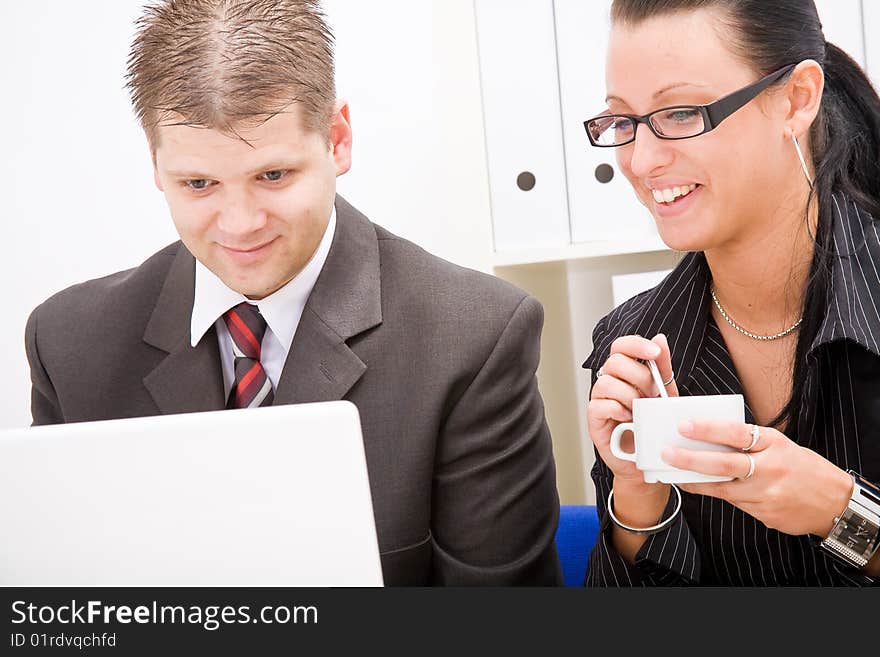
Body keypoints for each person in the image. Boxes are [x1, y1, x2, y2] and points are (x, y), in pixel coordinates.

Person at [24, 0, 561, 586]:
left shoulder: (474, 337)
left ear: (338, 139)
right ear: (156, 165)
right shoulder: (68, 345)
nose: (239, 224)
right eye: (198, 184)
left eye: (272, 176)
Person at [582, 0, 880, 585]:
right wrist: (638, 500)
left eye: (682, 113)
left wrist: (841, 512)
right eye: (623, 121)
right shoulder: (628, 343)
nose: (641, 161)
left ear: (796, 100)